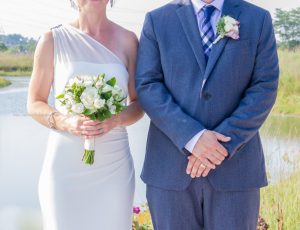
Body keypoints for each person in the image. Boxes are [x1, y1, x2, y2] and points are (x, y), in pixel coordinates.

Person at [136, 0, 279, 229]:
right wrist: (192, 138)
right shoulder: (157, 20)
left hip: (236, 171)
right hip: (170, 169)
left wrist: (219, 145)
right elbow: (147, 85)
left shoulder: (258, 19)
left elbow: (264, 87)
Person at [27, 0, 143, 229]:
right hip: (64, 167)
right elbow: (35, 103)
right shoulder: (52, 40)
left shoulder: (129, 40)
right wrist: (66, 122)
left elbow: (139, 104)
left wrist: (116, 119)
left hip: (114, 167)